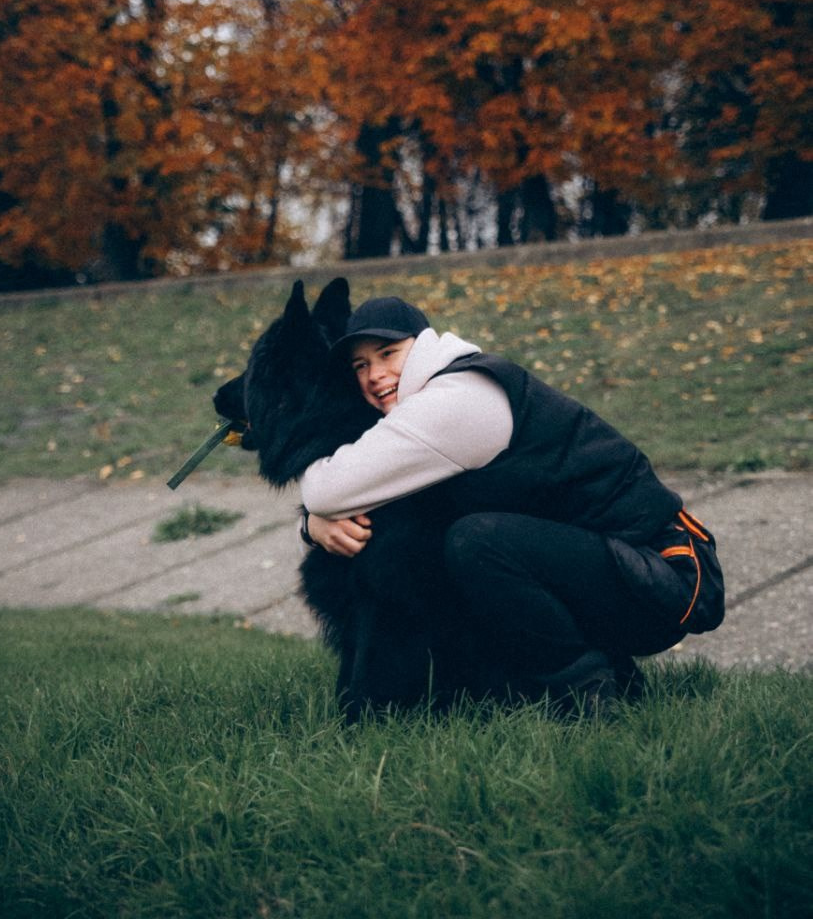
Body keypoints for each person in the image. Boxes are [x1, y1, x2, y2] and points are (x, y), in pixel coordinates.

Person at [299, 294, 724, 712]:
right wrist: (313, 527)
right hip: (626, 571)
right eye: (361, 365)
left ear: (425, 346)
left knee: (477, 542)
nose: (375, 374)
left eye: (388, 353)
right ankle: (616, 679)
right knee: (453, 540)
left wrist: (318, 515)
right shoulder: (445, 398)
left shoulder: (458, 399)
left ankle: (586, 694)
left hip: (671, 574)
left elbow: (328, 489)